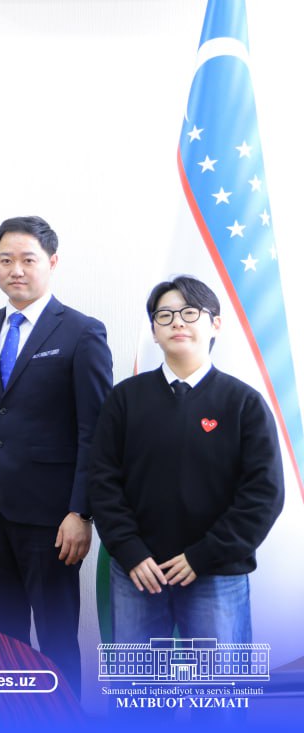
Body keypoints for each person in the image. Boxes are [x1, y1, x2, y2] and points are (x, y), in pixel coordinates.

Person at [0, 216, 111, 691]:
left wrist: (82, 511)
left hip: (53, 519)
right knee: (0, 638)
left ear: (52, 263)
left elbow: (96, 432)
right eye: (5, 260)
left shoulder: (81, 332)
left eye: (27, 260)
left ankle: (63, 718)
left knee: (57, 639)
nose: (15, 269)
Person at [90, 275, 283, 644]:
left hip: (216, 573)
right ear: (154, 331)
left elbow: (264, 494)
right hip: (138, 572)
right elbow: (102, 480)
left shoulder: (244, 403)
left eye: (190, 312)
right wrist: (131, 551)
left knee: (220, 680)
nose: (177, 322)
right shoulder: (124, 399)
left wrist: (204, 555)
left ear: (215, 324)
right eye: (165, 315)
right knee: (137, 679)